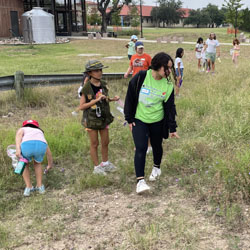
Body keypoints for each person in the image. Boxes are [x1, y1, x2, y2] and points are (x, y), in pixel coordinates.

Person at [124, 52, 179, 194]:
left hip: (157, 120)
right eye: (166, 68)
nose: (169, 72)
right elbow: (129, 97)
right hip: (139, 119)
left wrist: (172, 127)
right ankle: (140, 182)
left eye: (170, 68)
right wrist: (129, 119)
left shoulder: (168, 85)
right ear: (158, 66)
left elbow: (170, 108)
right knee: (140, 147)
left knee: (156, 145)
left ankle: (156, 167)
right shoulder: (141, 77)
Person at [78, 60, 120, 175]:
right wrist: (95, 100)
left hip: (104, 117)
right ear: (90, 73)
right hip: (92, 119)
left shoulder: (103, 84)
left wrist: (112, 99)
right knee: (94, 143)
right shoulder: (86, 88)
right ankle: (96, 167)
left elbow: (104, 98)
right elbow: (81, 106)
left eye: (100, 70)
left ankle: (105, 163)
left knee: (105, 142)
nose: (100, 72)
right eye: (96, 70)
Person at [15, 120, 53, 197]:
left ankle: (29, 187)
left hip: (27, 145)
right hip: (41, 146)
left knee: (24, 164)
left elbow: (18, 136)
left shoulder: (23, 129)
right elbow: (48, 152)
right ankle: (40, 186)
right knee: (38, 164)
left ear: (24, 125)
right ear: (37, 126)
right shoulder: (40, 132)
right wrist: (49, 164)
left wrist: (18, 149)